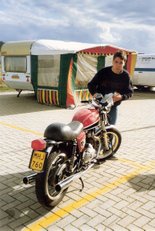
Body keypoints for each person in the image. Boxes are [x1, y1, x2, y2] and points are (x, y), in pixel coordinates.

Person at [87, 50, 133, 124]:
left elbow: (130, 92)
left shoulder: (125, 76)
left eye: (121, 62)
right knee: (94, 126)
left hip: (112, 106)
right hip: (98, 104)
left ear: (124, 63)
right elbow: (91, 85)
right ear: (112, 61)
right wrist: (95, 94)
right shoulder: (103, 72)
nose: (118, 65)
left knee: (111, 128)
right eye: (116, 62)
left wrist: (121, 97)